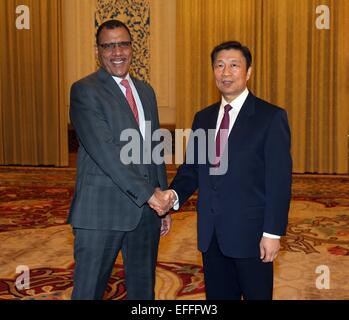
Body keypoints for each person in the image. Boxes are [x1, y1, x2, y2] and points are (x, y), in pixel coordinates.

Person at [159, 41, 292, 300]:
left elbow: (279, 181)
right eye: (219, 66)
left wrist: (272, 233)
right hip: (212, 236)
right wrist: (172, 197)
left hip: (253, 236)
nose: (226, 72)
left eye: (234, 65)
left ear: (248, 72)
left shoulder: (270, 117)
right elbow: (192, 170)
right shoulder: (204, 118)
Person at [68, 19, 174, 300]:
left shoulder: (146, 91)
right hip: (100, 213)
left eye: (123, 44)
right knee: (88, 292)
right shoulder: (85, 90)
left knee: (143, 293)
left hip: (146, 214)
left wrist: (162, 202)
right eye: (109, 45)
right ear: (98, 51)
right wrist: (149, 194)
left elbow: (154, 149)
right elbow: (106, 152)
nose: (117, 52)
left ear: (132, 48)